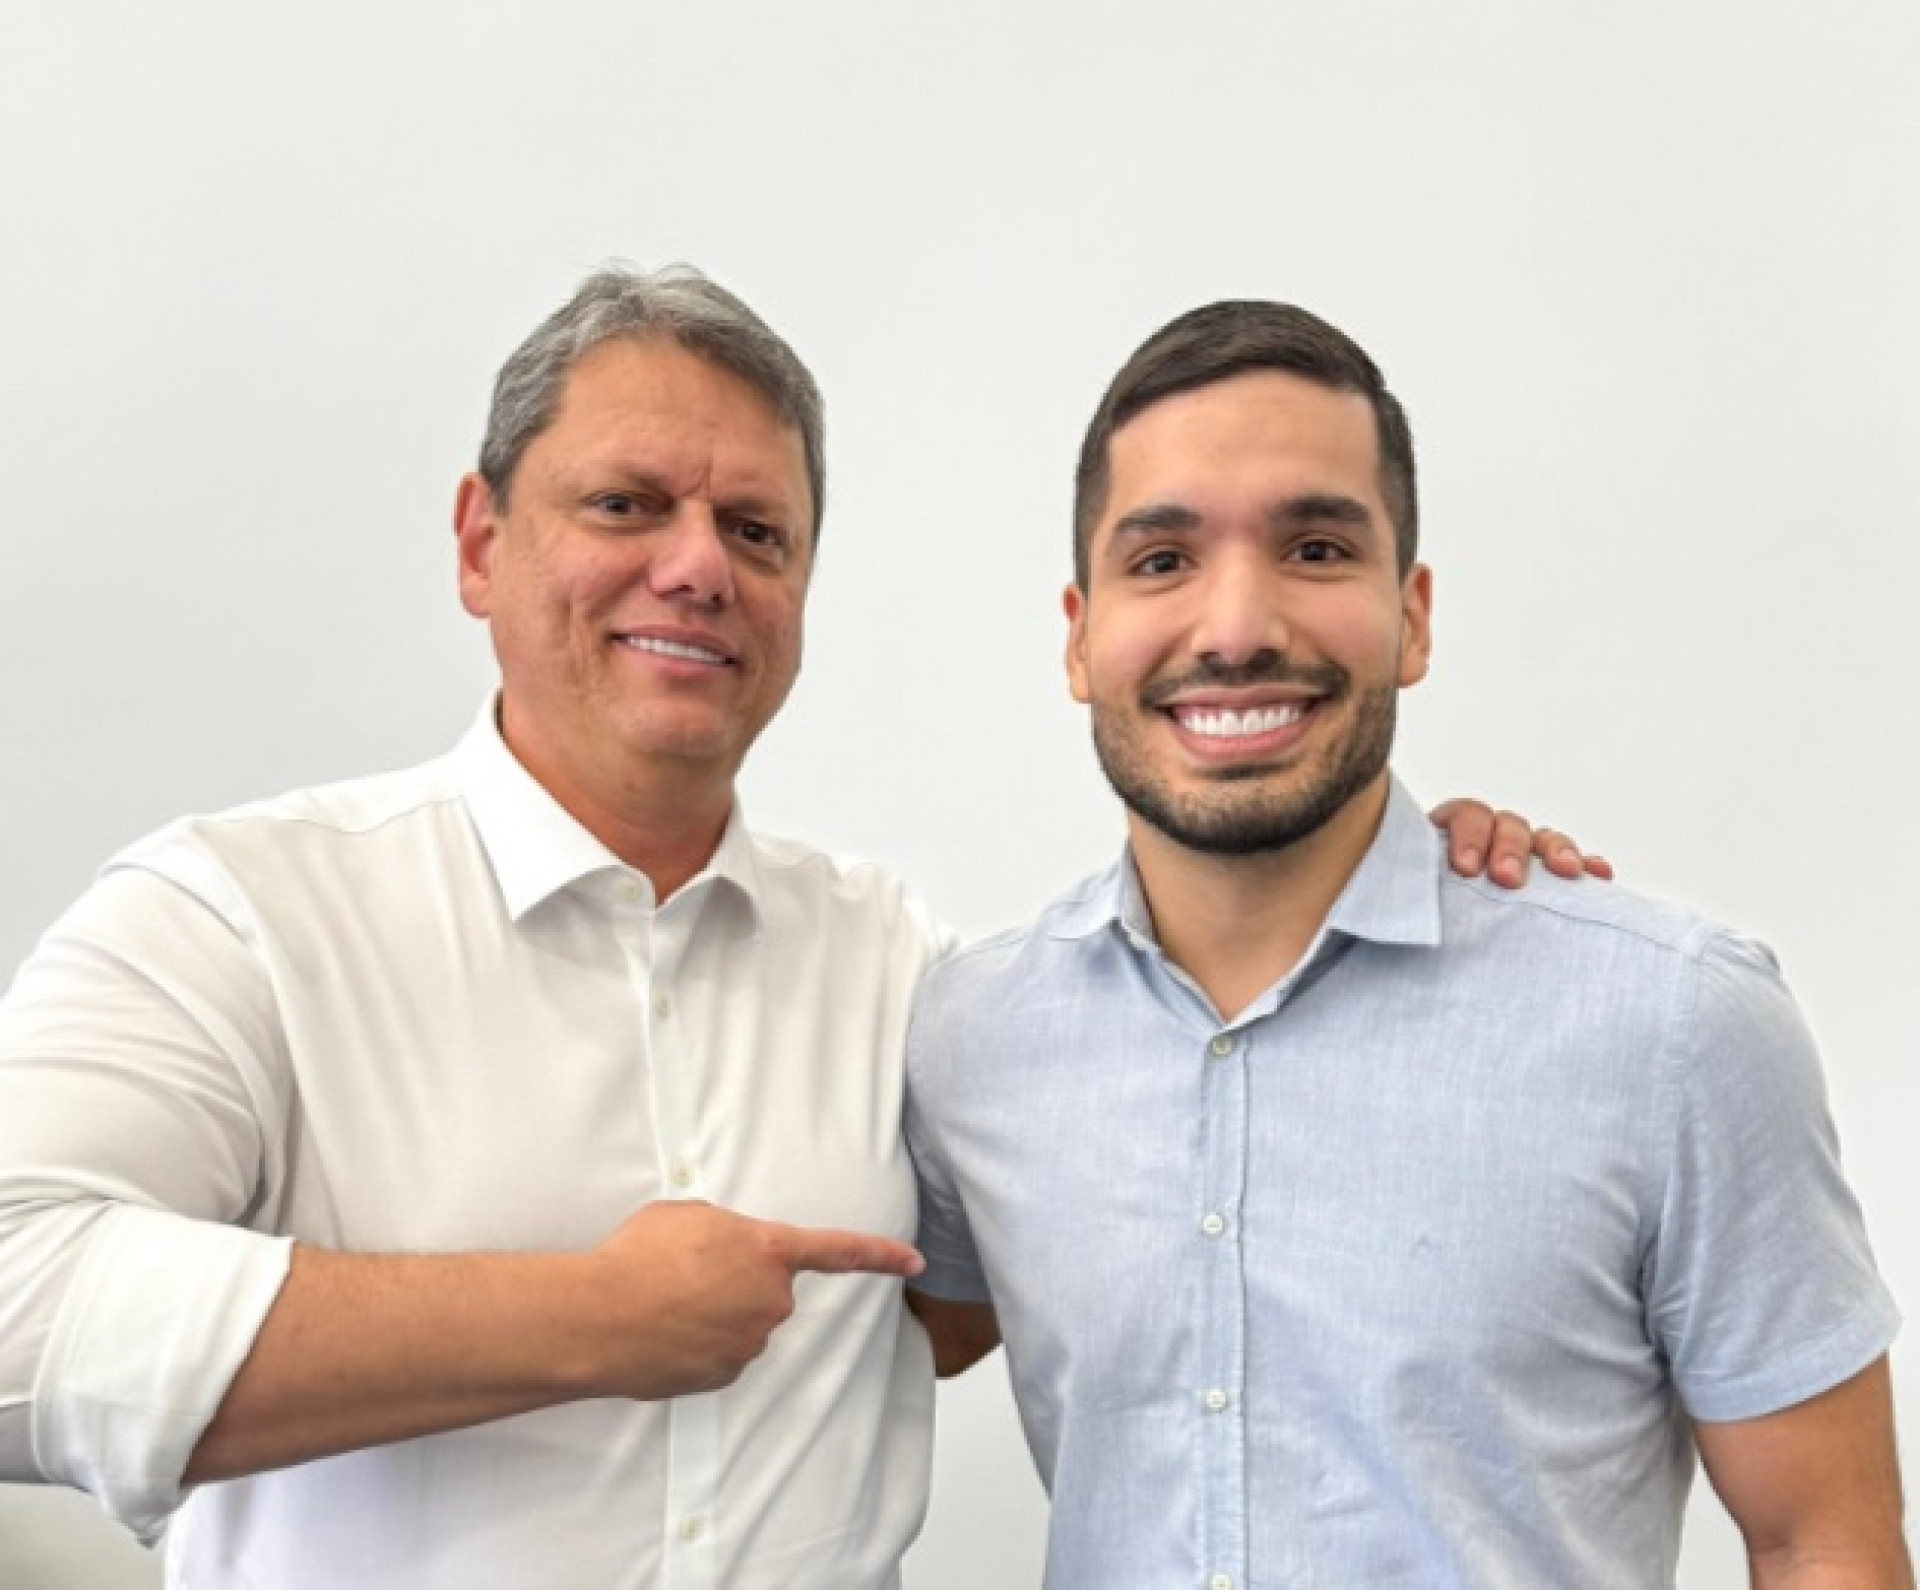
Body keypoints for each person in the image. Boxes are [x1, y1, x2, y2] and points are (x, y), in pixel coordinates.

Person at [0, 266, 1588, 1589]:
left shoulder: (907, 975)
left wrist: (1385, 864)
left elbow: (1119, 1214)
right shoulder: (238, 915)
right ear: (482, 545)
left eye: (757, 532)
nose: (696, 568)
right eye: (626, 504)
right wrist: (590, 1318)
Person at [904, 300, 1909, 1588]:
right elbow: (858, 1352)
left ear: (1413, 616)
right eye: (1161, 561)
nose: (1234, 627)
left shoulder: (1673, 1024)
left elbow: (1821, 1542)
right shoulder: (972, 1039)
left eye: (1316, 547)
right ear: (1079, 635)